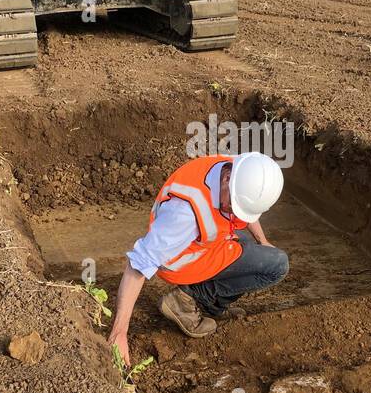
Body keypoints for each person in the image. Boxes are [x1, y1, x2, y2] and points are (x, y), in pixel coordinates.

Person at [108, 152, 288, 365]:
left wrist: (262, 241)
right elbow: (139, 264)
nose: (235, 211)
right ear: (227, 179)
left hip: (208, 241)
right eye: (233, 205)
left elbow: (243, 209)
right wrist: (120, 331)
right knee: (276, 264)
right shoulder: (184, 215)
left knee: (254, 249)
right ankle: (189, 298)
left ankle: (211, 306)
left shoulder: (236, 169)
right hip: (183, 260)